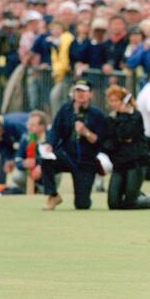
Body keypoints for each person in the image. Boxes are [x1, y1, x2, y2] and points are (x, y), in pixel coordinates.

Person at [41, 79, 106, 210]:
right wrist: (50, 144)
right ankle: (53, 195)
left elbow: (99, 141)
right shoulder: (65, 110)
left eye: (84, 91)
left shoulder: (97, 115)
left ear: (91, 94)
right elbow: (55, 131)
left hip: (86, 161)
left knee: (82, 205)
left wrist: (85, 132)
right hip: (67, 155)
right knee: (46, 159)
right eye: (77, 91)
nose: (80, 94)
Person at [102, 86, 150, 210]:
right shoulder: (110, 119)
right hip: (119, 163)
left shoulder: (135, 116)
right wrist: (119, 139)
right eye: (111, 101)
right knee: (113, 204)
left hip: (136, 162)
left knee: (130, 203)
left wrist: (124, 118)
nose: (113, 104)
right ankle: (139, 195)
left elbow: (125, 134)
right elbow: (109, 142)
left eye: (116, 100)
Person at [0, 112, 29, 186]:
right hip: (16, 143)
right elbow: (1, 148)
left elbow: (25, 142)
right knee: (4, 159)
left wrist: (14, 159)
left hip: (28, 141)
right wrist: (8, 159)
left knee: (23, 160)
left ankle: (29, 185)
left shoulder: (14, 124)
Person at [10, 110, 49, 193]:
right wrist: (23, 163)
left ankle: (47, 189)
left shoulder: (50, 138)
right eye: (28, 124)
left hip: (47, 172)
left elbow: (54, 158)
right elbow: (17, 158)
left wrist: (39, 165)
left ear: (42, 127)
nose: (29, 127)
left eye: (33, 125)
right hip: (30, 172)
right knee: (16, 176)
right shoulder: (25, 138)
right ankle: (34, 189)